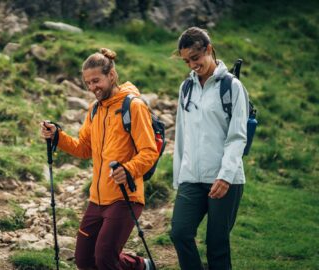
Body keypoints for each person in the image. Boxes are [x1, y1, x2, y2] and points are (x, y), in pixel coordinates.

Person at [40, 48, 158, 270]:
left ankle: (139, 266)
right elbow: (84, 149)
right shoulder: (94, 109)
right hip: (97, 198)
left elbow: (149, 151)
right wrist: (58, 136)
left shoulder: (133, 106)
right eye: (88, 83)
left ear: (111, 75)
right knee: (84, 259)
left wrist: (129, 169)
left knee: (104, 258)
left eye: (96, 81)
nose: (93, 88)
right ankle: (141, 266)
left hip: (125, 196)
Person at [170, 27, 248, 270]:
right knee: (179, 232)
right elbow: (181, 135)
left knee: (217, 245)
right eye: (187, 61)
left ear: (209, 50)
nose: (192, 64)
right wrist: (179, 178)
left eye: (196, 58)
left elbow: (237, 137)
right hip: (191, 178)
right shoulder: (186, 89)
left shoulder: (232, 87)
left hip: (226, 179)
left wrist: (225, 176)